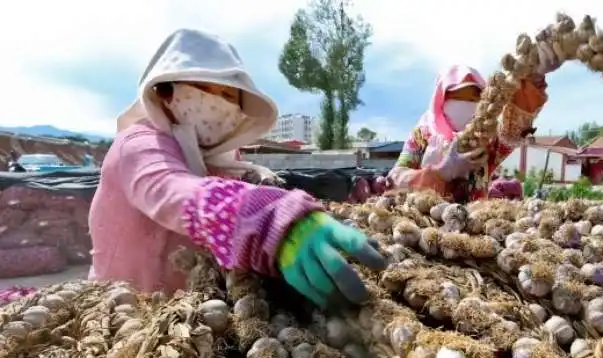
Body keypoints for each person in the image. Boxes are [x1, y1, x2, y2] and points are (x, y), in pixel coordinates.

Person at [88, 29, 385, 308]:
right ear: (166, 91)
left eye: (230, 97)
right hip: (123, 318)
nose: (221, 104)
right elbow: (171, 189)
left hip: (193, 320)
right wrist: (271, 220)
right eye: (208, 90)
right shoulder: (138, 145)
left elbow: (246, 192)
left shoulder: (217, 162)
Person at [388, 57, 559, 202]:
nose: (466, 104)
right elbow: (395, 178)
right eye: (457, 97)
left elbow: (514, 130)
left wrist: (533, 80)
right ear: (441, 98)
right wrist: (442, 171)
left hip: (476, 228)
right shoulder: (421, 135)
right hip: (423, 228)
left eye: (474, 98)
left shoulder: (486, 139)